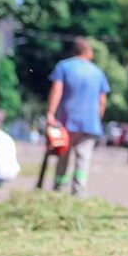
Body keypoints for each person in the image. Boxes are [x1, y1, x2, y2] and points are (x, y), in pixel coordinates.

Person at [46, 37, 110, 197]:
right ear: (88, 52)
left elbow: (57, 90)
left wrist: (51, 114)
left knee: (63, 156)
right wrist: (97, 119)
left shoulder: (64, 67)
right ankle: (79, 191)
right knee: (83, 157)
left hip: (67, 121)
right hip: (90, 123)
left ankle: (59, 189)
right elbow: (102, 100)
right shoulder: (98, 72)